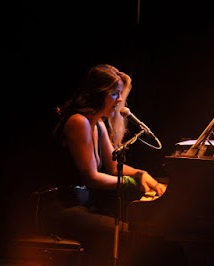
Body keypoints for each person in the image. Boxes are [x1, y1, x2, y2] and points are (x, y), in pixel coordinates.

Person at [40, 64, 167, 266]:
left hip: (80, 206)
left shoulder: (98, 123)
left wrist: (142, 174)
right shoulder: (78, 122)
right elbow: (92, 177)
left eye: (120, 94)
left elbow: (113, 165)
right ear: (98, 94)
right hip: (60, 208)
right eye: (115, 94)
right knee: (127, 236)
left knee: (130, 234)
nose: (119, 101)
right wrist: (132, 183)